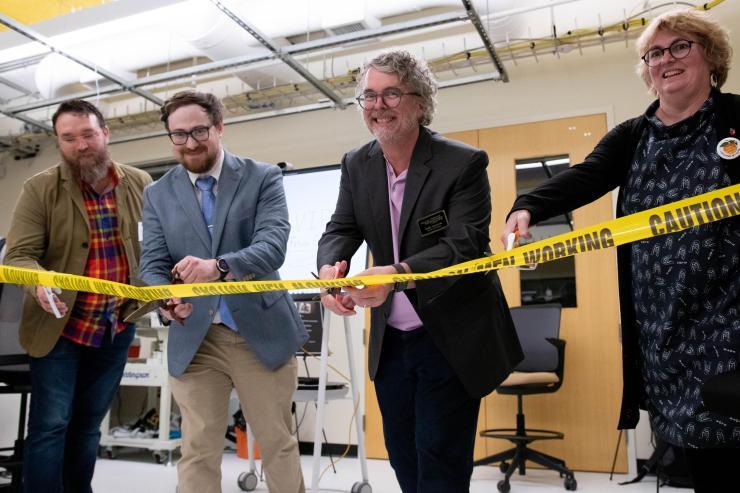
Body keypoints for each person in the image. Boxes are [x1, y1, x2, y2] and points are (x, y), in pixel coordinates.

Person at [501, 10, 739, 492]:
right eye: (654, 53)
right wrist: (526, 206)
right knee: (701, 464)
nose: (666, 59)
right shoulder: (633, 136)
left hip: (730, 322)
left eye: (681, 47)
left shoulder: (736, 119)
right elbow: (582, 178)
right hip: (665, 330)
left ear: (710, 56)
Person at [317, 50, 522, 493]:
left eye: (391, 94)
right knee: (404, 454)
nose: (378, 106)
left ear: (420, 102)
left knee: (440, 461)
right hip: (392, 342)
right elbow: (341, 228)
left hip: (450, 335)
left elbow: (465, 243)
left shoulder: (463, 163)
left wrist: (397, 272)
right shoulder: (357, 163)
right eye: (368, 96)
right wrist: (328, 270)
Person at [139, 90, 307, 493]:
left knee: (277, 443)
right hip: (195, 336)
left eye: (199, 131)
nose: (190, 142)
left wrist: (218, 267)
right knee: (197, 448)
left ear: (218, 127)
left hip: (259, 331)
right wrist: (167, 300)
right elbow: (152, 265)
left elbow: (273, 246)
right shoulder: (157, 194)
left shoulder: (262, 177)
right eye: (179, 135)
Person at [3, 99, 151, 492]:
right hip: (59, 328)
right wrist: (38, 281)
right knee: (51, 426)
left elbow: (155, 250)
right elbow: (19, 255)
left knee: (87, 427)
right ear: (59, 142)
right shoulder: (40, 188)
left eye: (87, 134)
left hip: (115, 327)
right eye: (68, 138)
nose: (80, 145)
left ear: (105, 133)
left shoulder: (140, 184)